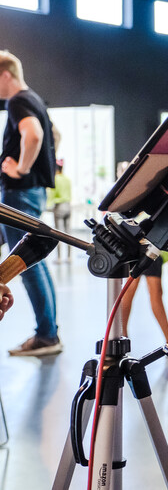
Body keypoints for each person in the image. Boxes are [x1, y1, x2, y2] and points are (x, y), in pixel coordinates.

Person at [0, 50, 60, 356]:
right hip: (32, 191)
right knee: (34, 259)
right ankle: (49, 332)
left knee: (22, 263)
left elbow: (33, 135)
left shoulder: (17, 101)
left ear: (5, 74)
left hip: (19, 192)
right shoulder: (34, 99)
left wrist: (21, 169)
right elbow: (52, 135)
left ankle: (46, 336)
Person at [47, 159, 72, 262]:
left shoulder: (55, 179)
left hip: (59, 207)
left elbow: (52, 195)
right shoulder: (67, 179)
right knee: (68, 233)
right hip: (68, 207)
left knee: (58, 233)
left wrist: (48, 204)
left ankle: (59, 258)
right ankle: (69, 257)